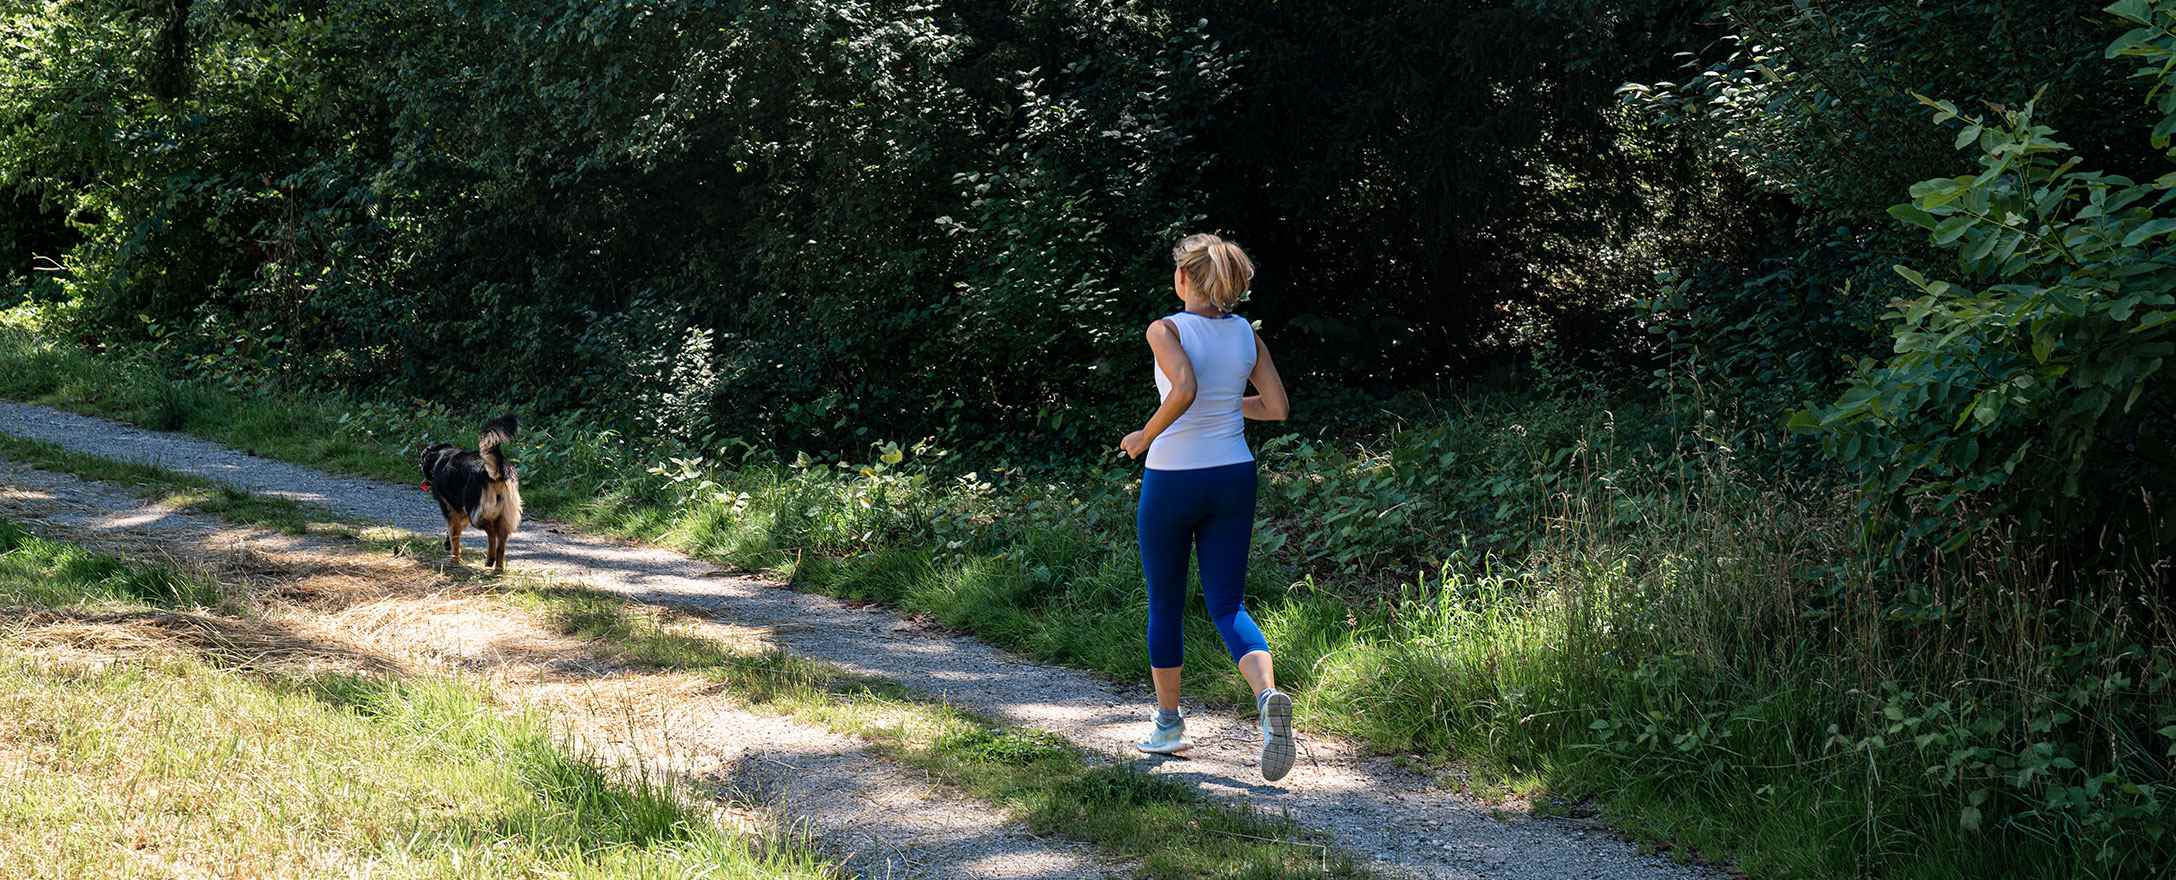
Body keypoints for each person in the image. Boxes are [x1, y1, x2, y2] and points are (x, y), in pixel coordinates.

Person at [1118, 232, 1294, 782]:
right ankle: (1267, 700)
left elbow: (1185, 388)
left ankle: (1169, 725)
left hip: (1173, 479)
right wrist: (1226, 402)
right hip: (1233, 476)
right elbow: (1277, 408)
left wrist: (1143, 436)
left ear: (1184, 279)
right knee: (1227, 603)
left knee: (1166, 603)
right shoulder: (1246, 334)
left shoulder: (1164, 329)